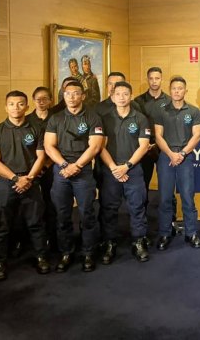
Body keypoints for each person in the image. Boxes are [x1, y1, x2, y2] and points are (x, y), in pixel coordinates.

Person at [0, 90, 49, 280]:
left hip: (31, 181)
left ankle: (41, 257)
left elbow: (41, 157)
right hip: (7, 183)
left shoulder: (36, 128)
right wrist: (15, 179)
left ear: (27, 106)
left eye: (21, 104)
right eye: (12, 104)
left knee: (36, 223)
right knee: (1, 225)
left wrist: (28, 178)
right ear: (6, 107)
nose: (16, 108)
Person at [44, 81, 104, 273]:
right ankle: (66, 252)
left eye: (75, 93)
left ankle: (88, 252)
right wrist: (64, 165)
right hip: (61, 172)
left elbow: (94, 147)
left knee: (87, 213)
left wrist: (77, 166)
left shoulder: (93, 117)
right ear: (63, 95)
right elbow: (49, 146)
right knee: (62, 215)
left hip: (83, 171)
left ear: (82, 96)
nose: (71, 97)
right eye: (68, 93)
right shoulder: (56, 118)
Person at [100, 81, 151, 262]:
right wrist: (114, 168)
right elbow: (100, 146)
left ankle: (138, 241)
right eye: (118, 94)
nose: (121, 97)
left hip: (133, 169)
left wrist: (127, 166)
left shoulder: (140, 118)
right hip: (111, 170)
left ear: (131, 96)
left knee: (137, 206)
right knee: (109, 208)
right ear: (112, 97)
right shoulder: (105, 119)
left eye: (125, 94)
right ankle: (110, 243)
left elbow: (144, 146)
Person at [154, 76, 200, 249]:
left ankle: (191, 233)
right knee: (165, 198)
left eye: (180, 88)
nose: (177, 91)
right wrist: (170, 154)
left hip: (186, 157)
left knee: (188, 197)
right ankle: (165, 233)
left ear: (185, 90)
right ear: (170, 90)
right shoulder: (162, 111)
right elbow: (158, 135)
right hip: (166, 157)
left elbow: (197, 135)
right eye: (174, 88)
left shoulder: (193, 110)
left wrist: (182, 153)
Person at [25, 87, 58, 251]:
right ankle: (31, 241)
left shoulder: (57, 118)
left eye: (45, 98)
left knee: (51, 203)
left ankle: (52, 238)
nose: (41, 101)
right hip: (30, 169)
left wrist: (46, 165)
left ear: (50, 100)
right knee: (32, 206)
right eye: (38, 98)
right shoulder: (26, 120)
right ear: (33, 100)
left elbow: (60, 144)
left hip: (52, 167)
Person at [134, 67, 172, 198]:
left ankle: (169, 215)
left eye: (157, 78)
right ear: (147, 80)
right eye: (151, 78)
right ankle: (142, 214)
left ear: (162, 79)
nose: (154, 81)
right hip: (146, 146)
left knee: (167, 183)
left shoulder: (169, 100)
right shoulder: (138, 101)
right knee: (143, 183)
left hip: (164, 146)